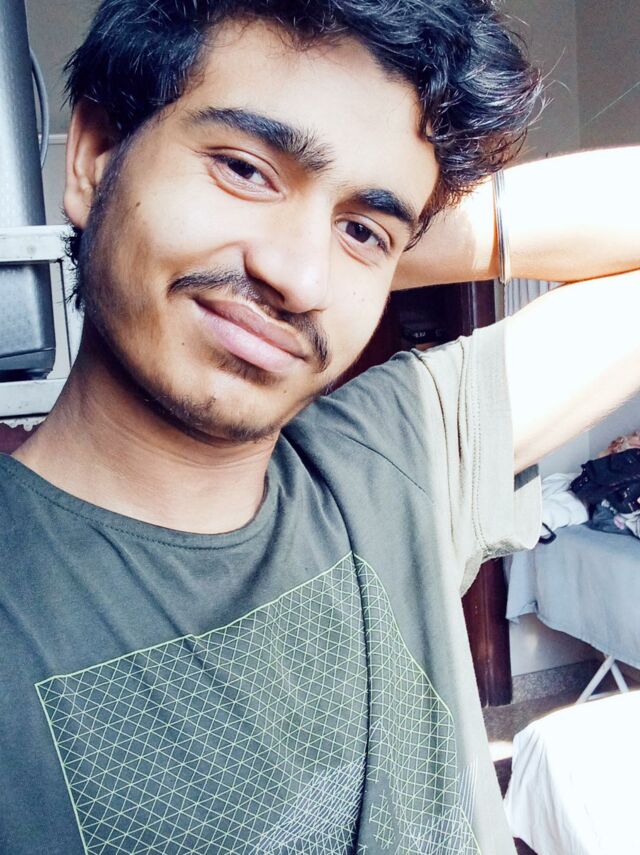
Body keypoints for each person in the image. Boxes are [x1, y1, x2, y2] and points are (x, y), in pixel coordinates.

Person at [1, 1, 638, 853]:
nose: (300, 278)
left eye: (361, 229)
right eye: (245, 169)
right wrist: (355, 231)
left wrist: (384, 241)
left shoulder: (391, 462)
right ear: (94, 157)